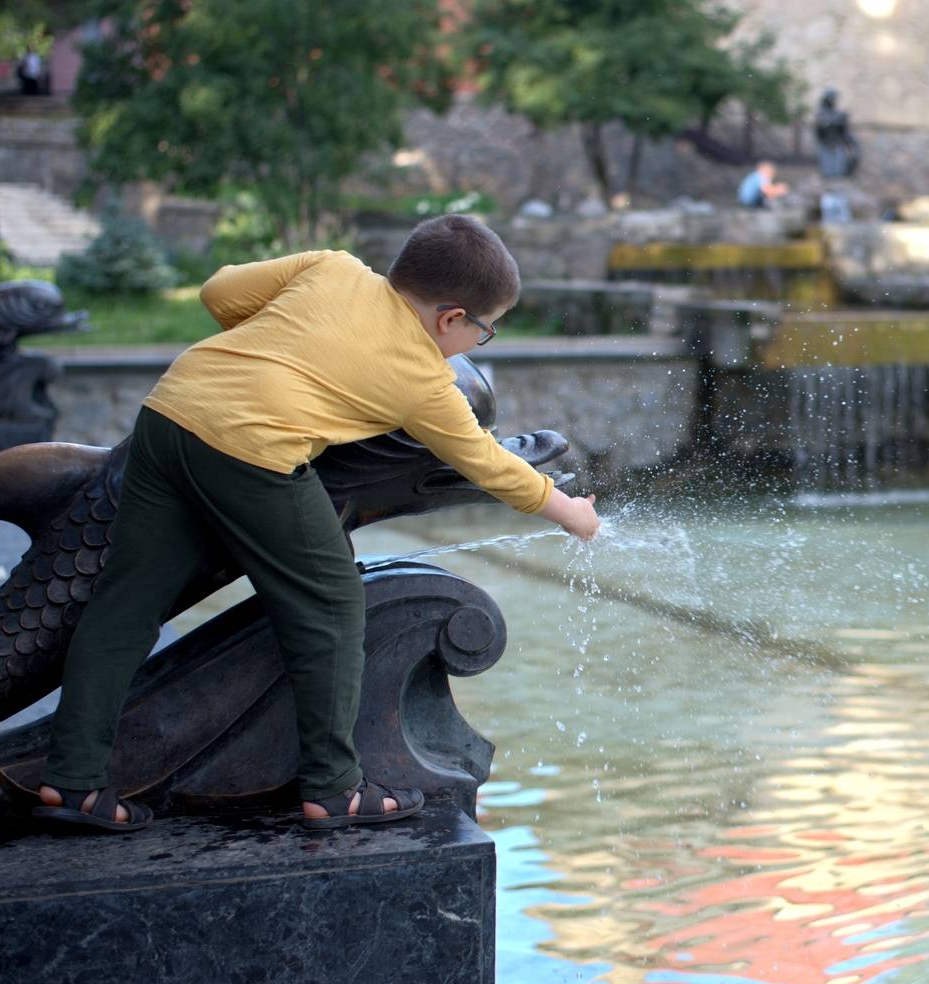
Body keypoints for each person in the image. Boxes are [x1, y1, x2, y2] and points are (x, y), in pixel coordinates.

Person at [32, 214, 601, 833]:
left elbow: (218, 291)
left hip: (171, 413)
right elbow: (490, 464)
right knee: (332, 604)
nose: (477, 342)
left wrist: (283, 351)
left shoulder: (333, 268)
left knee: (127, 604)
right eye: (484, 331)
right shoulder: (423, 378)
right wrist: (572, 512)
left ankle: (73, 779)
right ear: (451, 319)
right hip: (251, 453)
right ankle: (335, 788)